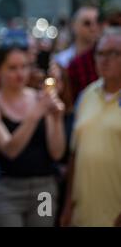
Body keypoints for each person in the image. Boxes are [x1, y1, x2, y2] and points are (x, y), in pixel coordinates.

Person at [0, 42, 66, 227]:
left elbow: (57, 153)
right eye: (12, 68)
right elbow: (10, 149)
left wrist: (57, 118)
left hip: (44, 190)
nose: (20, 74)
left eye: (24, 67)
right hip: (7, 190)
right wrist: (36, 113)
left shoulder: (40, 98)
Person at [60, 29, 121, 227]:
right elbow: (75, 155)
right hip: (82, 216)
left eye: (114, 53)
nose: (105, 59)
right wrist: (68, 205)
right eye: (100, 53)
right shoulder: (86, 95)